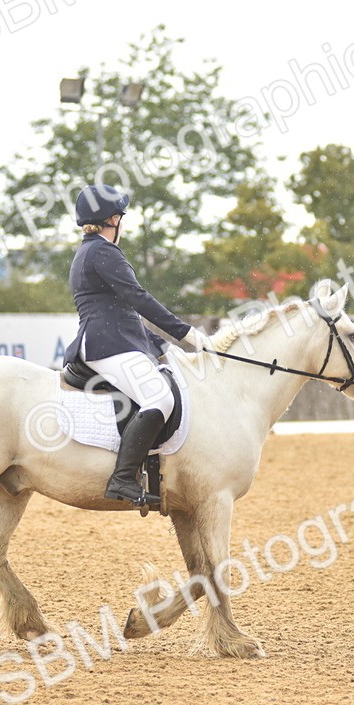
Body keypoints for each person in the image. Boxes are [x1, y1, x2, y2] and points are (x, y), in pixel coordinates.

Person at [62, 184, 214, 506]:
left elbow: (124, 311)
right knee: (159, 398)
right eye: (122, 217)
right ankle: (122, 479)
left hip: (116, 341)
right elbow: (138, 299)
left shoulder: (89, 252)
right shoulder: (102, 252)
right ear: (114, 219)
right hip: (107, 345)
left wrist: (163, 345)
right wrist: (185, 333)